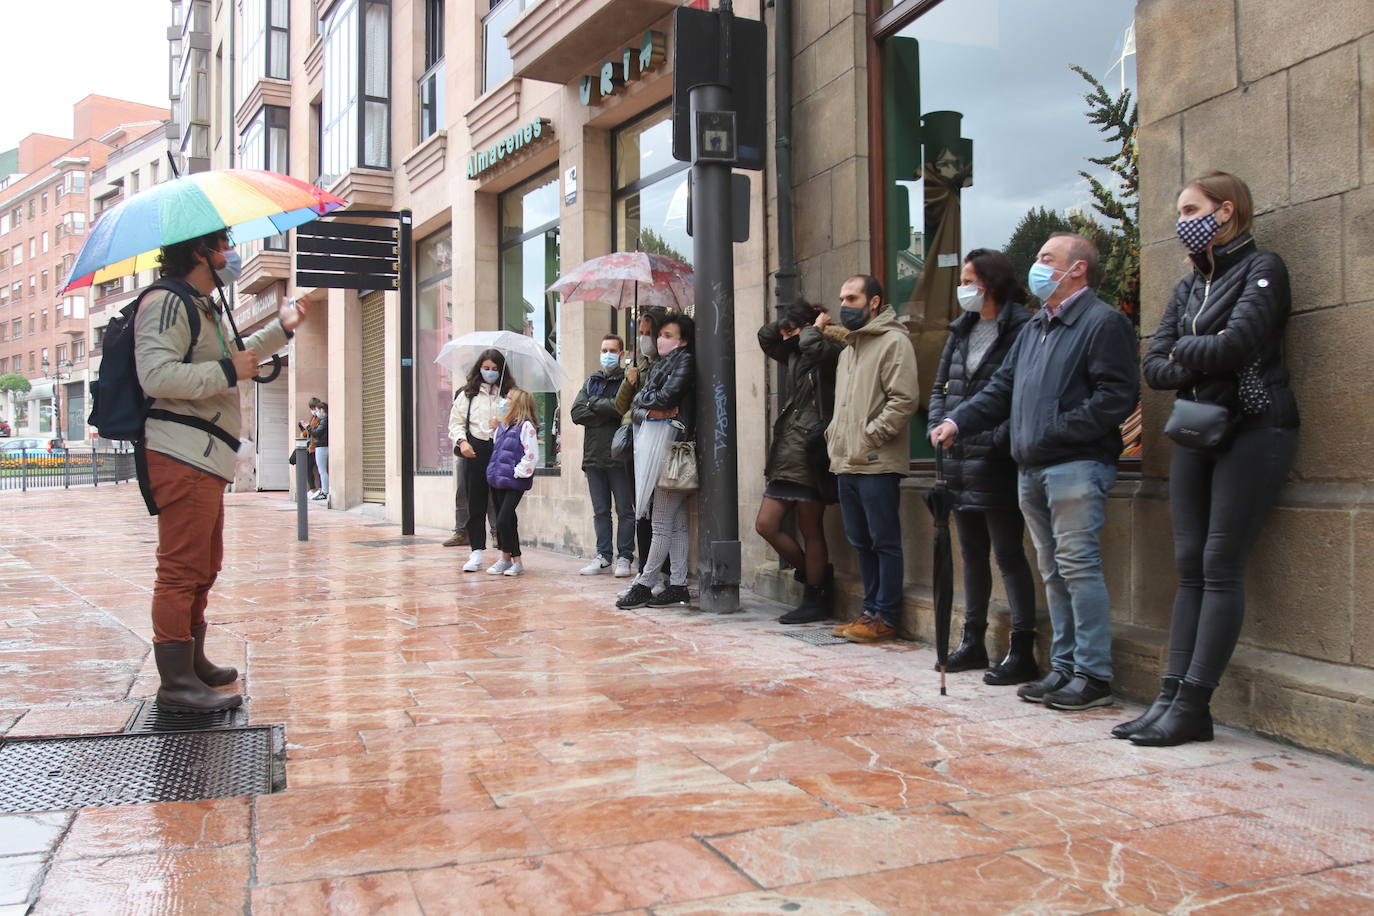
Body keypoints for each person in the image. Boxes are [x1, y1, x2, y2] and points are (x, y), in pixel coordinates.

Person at [1119, 172, 1299, 746]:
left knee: (1221, 565)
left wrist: (1187, 352)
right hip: (1196, 431)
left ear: (1225, 212)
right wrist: (1194, 355)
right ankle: (1170, 695)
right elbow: (1155, 368)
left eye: (1191, 208)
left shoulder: (1263, 267)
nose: (1181, 221)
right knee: (1190, 566)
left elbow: (1234, 346)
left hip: (1254, 428)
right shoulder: (1187, 286)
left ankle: (1195, 702)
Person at [931, 233, 1139, 711]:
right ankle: (1063, 666)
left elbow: (1114, 397)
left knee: (1079, 568)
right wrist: (957, 421)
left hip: (1076, 465)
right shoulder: (1036, 328)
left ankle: (1093, 674)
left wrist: (1051, 432)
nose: (1038, 265)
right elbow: (1001, 390)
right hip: (1032, 467)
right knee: (1053, 570)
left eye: (1048, 258)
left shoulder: (1103, 322)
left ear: (1078, 268)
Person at [136, 228, 305, 710]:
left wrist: (283, 326)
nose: (230, 255)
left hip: (206, 455)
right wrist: (230, 371)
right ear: (200, 253)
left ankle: (192, 663)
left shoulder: (202, 304)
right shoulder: (167, 302)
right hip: (181, 452)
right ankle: (175, 684)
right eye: (224, 246)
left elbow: (239, 352)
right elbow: (157, 375)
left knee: (204, 566)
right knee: (180, 569)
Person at [926, 249, 1039, 684]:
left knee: (1008, 554)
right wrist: (939, 426)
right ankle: (972, 641)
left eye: (970, 280)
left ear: (991, 283)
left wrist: (992, 439)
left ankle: (1021, 645)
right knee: (971, 553)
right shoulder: (961, 330)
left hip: (996, 459)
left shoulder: (1022, 328)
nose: (964, 288)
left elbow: (1017, 394)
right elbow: (939, 387)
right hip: (955, 457)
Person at [827, 275, 920, 644]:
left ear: (875, 302)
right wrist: (836, 438)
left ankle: (886, 614)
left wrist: (870, 436)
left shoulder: (894, 342)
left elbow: (904, 400)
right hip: (846, 461)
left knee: (884, 540)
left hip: (877, 462)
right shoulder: (849, 350)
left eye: (852, 297)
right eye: (842, 297)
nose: (844, 305)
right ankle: (870, 610)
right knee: (861, 541)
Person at [755, 300, 846, 624]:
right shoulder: (795, 352)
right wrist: (784, 323)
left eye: (793, 328)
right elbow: (766, 338)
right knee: (766, 524)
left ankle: (815, 598)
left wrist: (815, 327)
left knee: (811, 528)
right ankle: (815, 577)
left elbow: (812, 345)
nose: (787, 334)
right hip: (788, 449)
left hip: (809, 449)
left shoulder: (831, 350)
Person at [616, 314, 697, 610]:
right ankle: (677, 585)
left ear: (683, 339)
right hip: (660, 448)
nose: (659, 339)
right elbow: (638, 405)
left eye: (667, 334)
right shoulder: (661, 365)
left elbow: (667, 396)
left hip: (675, 449)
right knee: (674, 523)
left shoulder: (685, 360)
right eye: (658, 334)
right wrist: (653, 407)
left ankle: (645, 583)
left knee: (661, 522)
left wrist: (651, 403)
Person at [572, 334, 635, 577]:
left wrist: (593, 406)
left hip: (619, 456)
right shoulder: (591, 382)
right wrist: (604, 407)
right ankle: (603, 556)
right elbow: (576, 413)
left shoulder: (627, 381)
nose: (607, 354)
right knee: (600, 511)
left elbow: (623, 408)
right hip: (593, 457)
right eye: (603, 349)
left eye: (612, 350)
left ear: (620, 354)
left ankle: (625, 557)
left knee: (625, 510)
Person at [449, 349, 516, 573]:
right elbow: (455, 422)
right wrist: (462, 442)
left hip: (500, 452)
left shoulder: (509, 394)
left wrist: (503, 422)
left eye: (495, 369)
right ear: (479, 368)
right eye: (486, 368)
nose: (490, 372)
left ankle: (506, 554)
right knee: (475, 503)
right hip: (474, 450)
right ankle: (476, 552)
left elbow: (523, 422)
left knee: (502, 505)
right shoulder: (467, 394)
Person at [617, 306, 670, 578]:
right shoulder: (640, 365)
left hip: (658, 441)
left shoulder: (668, 364)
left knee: (659, 509)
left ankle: (661, 570)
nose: (644, 339)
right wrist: (629, 382)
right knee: (641, 508)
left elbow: (654, 404)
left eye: (649, 333)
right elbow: (621, 406)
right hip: (635, 443)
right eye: (641, 333)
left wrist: (641, 403)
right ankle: (644, 566)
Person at [484, 387, 540, 577]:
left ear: (517, 404)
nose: (504, 401)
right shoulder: (502, 426)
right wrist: (492, 426)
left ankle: (507, 558)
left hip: (514, 481)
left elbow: (531, 455)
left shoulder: (525, 427)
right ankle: (512, 560)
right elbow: (495, 447)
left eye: (508, 398)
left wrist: (517, 472)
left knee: (501, 521)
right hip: (497, 479)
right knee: (508, 520)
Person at [296, 397, 323, 496]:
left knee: (319, 469)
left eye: (313, 408)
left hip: (316, 447)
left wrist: (306, 428)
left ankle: (320, 489)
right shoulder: (314, 417)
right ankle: (313, 488)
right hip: (312, 447)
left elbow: (314, 430)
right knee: (309, 468)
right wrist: (304, 428)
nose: (313, 411)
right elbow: (310, 429)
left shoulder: (320, 418)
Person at [309, 401, 329, 501]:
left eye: (317, 410)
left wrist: (307, 427)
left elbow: (316, 433)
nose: (316, 413)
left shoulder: (324, 420)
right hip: (322, 446)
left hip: (321, 446)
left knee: (322, 471)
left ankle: (324, 491)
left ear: (322, 410)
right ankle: (324, 490)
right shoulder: (324, 420)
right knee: (322, 470)